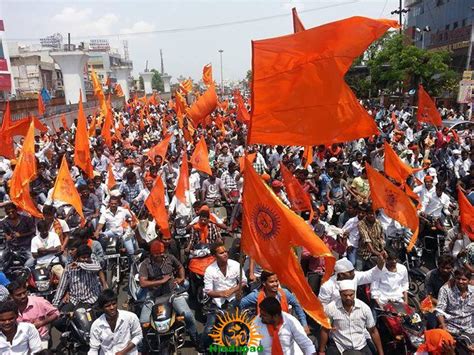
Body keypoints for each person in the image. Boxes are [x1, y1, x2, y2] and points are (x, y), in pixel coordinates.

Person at [138, 240, 199, 346]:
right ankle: (144, 345)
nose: (160, 255)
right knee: (143, 322)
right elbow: (143, 283)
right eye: (156, 253)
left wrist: (181, 278)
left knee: (188, 316)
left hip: (172, 294)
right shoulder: (145, 264)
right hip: (154, 297)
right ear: (152, 253)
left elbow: (180, 266)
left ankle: (196, 339)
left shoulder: (170, 258)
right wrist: (161, 281)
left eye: (161, 252)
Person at [320, 280, 384, 355]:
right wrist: (322, 351)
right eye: (345, 295)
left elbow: (373, 331)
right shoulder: (331, 308)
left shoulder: (364, 308)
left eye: (351, 295)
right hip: (339, 345)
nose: (348, 298)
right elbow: (325, 330)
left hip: (361, 345)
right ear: (340, 294)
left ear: (355, 293)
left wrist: (381, 353)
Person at [202, 242, 247, 348]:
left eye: (225, 251)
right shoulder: (209, 270)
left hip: (234, 301)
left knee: (241, 328)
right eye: (221, 253)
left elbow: (243, 282)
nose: (225, 254)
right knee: (208, 330)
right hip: (217, 304)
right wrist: (221, 293)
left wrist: (233, 290)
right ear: (214, 256)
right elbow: (208, 291)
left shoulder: (235, 265)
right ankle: (203, 348)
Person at [240, 271, 310, 334]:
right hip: (263, 331)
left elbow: (297, 305)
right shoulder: (256, 295)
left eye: (276, 281)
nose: (275, 284)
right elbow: (241, 304)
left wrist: (304, 324)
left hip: (283, 330)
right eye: (272, 282)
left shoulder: (284, 293)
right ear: (264, 283)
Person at [7, 280, 59, 349]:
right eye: (18, 295)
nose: (23, 296)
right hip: (19, 340)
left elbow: (56, 313)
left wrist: (41, 323)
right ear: (11, 296)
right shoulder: (8, 307)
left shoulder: (39, 301)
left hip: (40, 337)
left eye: (24, 292)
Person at [88, 289, 142, 355]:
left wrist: (123, 352)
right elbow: (93, 349)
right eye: (107, 306)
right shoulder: (96, 325)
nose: (112, 307)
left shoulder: (130, 317)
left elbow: (138, 336)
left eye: (114, 304)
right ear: (102, 308)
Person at [318, 255, 384, 306]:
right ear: (341, 275)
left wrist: (380, 264)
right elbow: (322, 305)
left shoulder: (354, 277)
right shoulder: (327, 286)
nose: (353, 273)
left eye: (353, 271)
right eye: (350, 272)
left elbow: (370, 276)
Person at [52, 245, 102, 312]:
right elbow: (61, 287)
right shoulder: (69, 267)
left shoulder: (93, 263)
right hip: (74, 300)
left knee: (79, 314)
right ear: (78, 258)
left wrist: (80, 265)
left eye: (88, 257)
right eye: (83, 258)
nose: (86, 259)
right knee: (62, 315)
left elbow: (98, 268)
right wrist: (55, 304)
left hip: (90, 300)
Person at [436, 268, 474, 351]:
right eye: (458, 279)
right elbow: (439, 311)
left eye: (464, 279)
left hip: (469, 329)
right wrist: (443, 326)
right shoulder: (445, 290)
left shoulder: (473, 291)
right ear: (454, 278)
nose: (460, 281)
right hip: (451, 328)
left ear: (469, 280)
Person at [0, 203, 36, 267]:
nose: (11, 213)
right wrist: (7, 236)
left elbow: (33, 231)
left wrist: (21, 235)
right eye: (8, 212)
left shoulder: (26, 219)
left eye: (12, 211)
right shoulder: (4, 222)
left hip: (26, 246)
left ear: (16, 210)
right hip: (11, 247)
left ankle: (25, 269)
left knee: (33, 259)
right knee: (1, 262)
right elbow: (6, 233)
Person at [424, 254, 455, 328]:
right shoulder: (430, 275)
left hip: (452, 303)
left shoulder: (455, 276)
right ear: (438, 266)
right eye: (442, 267)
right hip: (433, 303)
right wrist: (442, 305)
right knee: (432, 325)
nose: (445, 270)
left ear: (452, 268)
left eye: (448, 268)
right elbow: (429, 296)